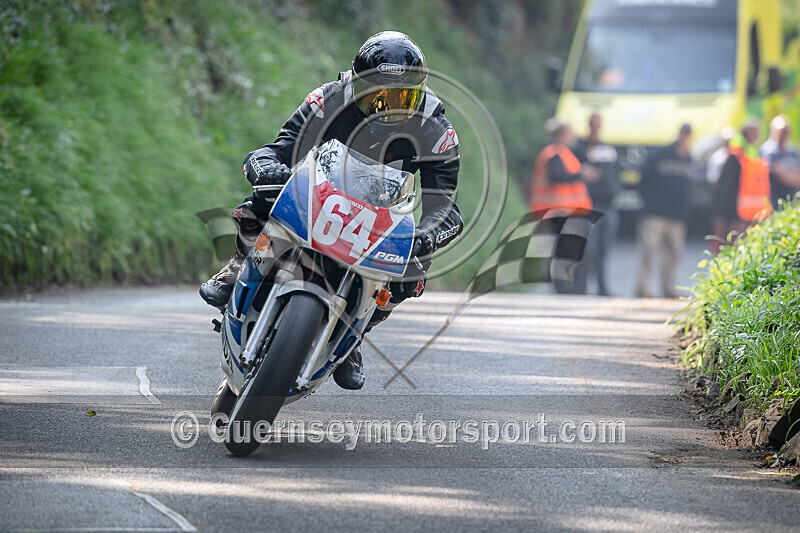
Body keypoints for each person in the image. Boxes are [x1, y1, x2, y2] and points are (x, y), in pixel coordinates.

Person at [199, 31, 463, 390]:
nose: (389, 108)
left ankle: (356, 330)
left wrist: (429, 233)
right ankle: (239, 264)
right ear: (355, 87)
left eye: (403, 97)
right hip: (320, 194)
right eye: (378, 96)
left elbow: (443, 204)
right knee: (266, 193)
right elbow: (279, 149)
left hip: (380, 216)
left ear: (420, 94)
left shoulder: (436, 130)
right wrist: (265, 167)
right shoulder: (328, 99)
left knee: (413, 272)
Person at [530, 119, 600, 294]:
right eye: (570, 132)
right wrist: (581, 174)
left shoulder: (563, 153)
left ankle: (572, 290)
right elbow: (556, 177)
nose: (574, 137)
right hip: (559, 213)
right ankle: (565, 291)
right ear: (562, 134)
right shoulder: (554, 153)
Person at [636, 124, 696, 298]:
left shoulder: (689, 159)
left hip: (677, 216)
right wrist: (649, 203)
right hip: (655, 213)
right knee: (648, 251)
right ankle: (642, 287)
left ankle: (668, 288)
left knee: (673, 255)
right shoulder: (660, 155)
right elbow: (643, 180)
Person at [574, 113, 621, 296]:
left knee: (604, 250)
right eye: (593, 122)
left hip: (609, 206)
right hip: (588, 205)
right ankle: (581, 288)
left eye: (598, 122)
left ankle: (602, 287)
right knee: (587, 250)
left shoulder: (608, 148)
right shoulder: (580, 148)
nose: (596, 126)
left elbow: (616, 173)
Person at [711, 120, 771, 254]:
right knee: (732, 248)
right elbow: (727, 189)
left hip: (754, 214)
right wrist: (727, 216)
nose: (756, 136)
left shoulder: (756, 154)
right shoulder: (736, 157)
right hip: (736, 215)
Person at [759, 115, 800, 208]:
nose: (784, 135)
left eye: (786, 131)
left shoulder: (792, 150)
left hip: (792, 198)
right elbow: (779, 174)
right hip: (774, 200)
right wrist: (794, 178)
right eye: (782, 132)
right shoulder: (768, 150)